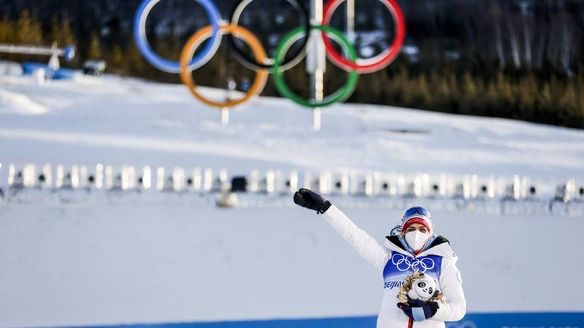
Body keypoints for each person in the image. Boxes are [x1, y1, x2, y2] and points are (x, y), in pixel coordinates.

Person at [293, 188, 466, 328]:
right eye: (411, 228)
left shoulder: (443, 264)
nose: (416, 233)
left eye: (422, 230)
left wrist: (433, 310)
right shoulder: (388, 259)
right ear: (403, 233)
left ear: (430, 234)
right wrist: (325, 208)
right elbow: (356, 237)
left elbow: (459, 308)